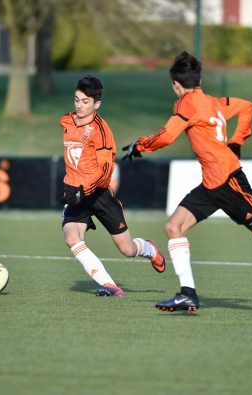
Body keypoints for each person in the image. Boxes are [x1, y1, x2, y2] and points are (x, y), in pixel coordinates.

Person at [122, 51, 252, 312]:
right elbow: (246, 107)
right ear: (199, 80)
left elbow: (168, 136)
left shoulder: (186, 103)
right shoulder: (213, 102)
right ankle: (188, 294)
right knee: (174, 227)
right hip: (211, 185)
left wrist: (141, 146)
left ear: (175, 84)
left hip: (229, 182)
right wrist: (237, 141)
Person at [61, 75, 166, 297]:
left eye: (85, 101)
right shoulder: (67, 121)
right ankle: (109, 285)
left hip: (99, 194)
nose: (79, 106)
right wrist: (73, 188)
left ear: (97, 104)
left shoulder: (101, 130)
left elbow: (106, 170)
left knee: (127, 249)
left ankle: (148, 248)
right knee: (72, 238)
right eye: (77, 100)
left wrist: (86, 190)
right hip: (75, 194)